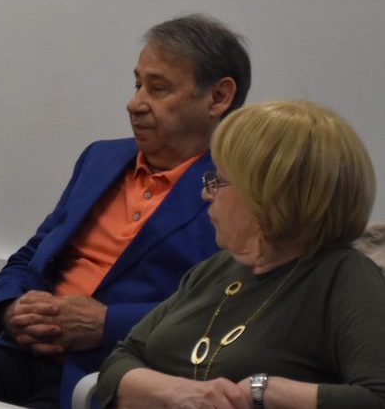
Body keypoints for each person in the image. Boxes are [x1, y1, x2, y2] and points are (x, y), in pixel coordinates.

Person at [0, 14, 252, 408]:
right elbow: (30, 253)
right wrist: (11, 307)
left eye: (158, 89)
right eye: (138, 84)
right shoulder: (101, 158)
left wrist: (105, 324)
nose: (135, 103)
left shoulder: (237, 190)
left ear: (218, 98)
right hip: (22, 351)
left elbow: (225, 309)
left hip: (111, 373)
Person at [96, 100, 385, 408]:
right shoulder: (215, 269)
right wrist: (179, 392)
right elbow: (119, 362)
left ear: (269, 196)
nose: (206, 193)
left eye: (218, 180)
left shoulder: (346, 277)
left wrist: (266, 392)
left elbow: (376, 396)